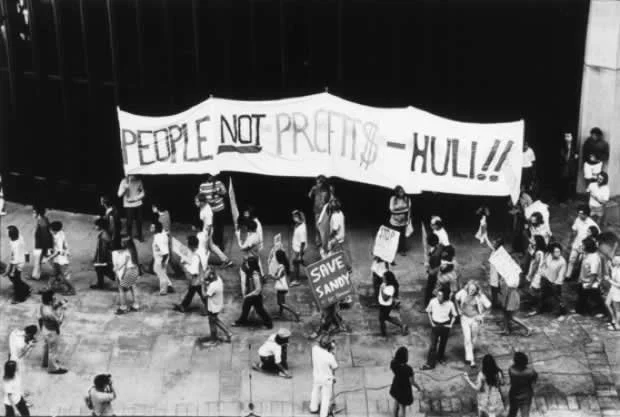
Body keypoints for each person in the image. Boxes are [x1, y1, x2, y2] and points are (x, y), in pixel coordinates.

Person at [455, 281, 491, 368]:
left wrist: (482, 316)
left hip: (475, 319)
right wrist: (458, 309)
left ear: (476, 290)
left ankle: (470, 351)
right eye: (470, 289)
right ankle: (471, 360)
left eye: (473, 290)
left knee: (473, 339)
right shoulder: (463, 292)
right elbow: (455, 298)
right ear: (468, 288)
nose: (471, 291)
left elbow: (489, 307)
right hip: (464, 318)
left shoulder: (480, 296)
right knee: (467, 338)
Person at [421, 286, 457, 370]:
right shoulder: (433, 301)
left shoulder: (450, 304)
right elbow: (428, 311)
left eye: (441, 296)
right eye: (438, 295)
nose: (439, 297)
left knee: (443, 343)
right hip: (435, 325)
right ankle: (430, 364)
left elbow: (455, 315)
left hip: (445, 325)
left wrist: (451, 324)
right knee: (433, 345)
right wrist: (431, 323)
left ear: (445, 297)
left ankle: (440, 358)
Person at [233, 257, 273, 329]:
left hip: (255, 296)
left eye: (248, 263)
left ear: (251, 265)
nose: (247, 265)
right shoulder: (253, 272)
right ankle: (242, 320)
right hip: (253, 295)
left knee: (260, 310)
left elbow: (258, 289)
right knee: (246, 307)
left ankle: (269, 324)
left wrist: (248, 295)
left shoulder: (255, 275)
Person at [499, 253, 532, 337]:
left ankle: (527, 328)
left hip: (511, 295)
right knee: (505, 313)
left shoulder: (515, 273)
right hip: (506, 294)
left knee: (511, 316)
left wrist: (504, 280)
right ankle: (506, 329)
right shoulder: (507, 271)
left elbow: (512, 284)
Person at [195, 194, 232, 267]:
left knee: (203, 247)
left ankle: (202, 263)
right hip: (205, 230)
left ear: (202, 202)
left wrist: (206, 236)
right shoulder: (203, 207)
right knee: (212, 247)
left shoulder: (207, 211)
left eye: (197, 201)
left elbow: (209, 225)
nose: (195, 203)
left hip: (207, 231)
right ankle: (226, 260)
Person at [174, 235, 208, 314]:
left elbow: (194, 272)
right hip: (201, 275)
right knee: (192, 291)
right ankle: (183, 305)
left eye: (187, 244)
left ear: (191, 246)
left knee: (199, 291)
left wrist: (184, 265)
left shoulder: (196, 256)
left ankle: (209, 309)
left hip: (197, 278)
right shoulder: (201, 250)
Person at [534, 242, 567, 318]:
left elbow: (561, 275)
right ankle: (540, 309)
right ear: (551, 252)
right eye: (556, 252)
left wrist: (556, 283)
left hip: (554, 282)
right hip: (545, 279)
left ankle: (560, 313)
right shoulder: (548, 256)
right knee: (542, 295)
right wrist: (541, 275)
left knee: (557, 298)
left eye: (559, 251)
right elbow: (543, 265)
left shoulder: (562, 262)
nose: (558, 253)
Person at [566, 206, 599, 280]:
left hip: (585, 247)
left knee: (582, 263)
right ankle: (568, 275)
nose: (579, 215)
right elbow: (574, 230)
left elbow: (597, 235)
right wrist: (571, 240)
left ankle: (580, 278)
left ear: (586, 214)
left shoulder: (592, 224)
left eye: (581, 214)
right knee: (571, 260)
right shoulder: (577, 219)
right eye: (579, 213)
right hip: (577, 244)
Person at [39, 290, 68, 374]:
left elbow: (52, 306)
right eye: (53, 298)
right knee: (53, 350)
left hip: (45, 328)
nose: (55, 298)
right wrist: (63, 310)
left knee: (46, 347)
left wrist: (60, 304)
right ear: (49, 300)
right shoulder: (49, 313)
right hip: (51, 332)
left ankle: (45, 362)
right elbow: (59, 321)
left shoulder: (43, 305)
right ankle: (53, 368)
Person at [266, 250, 300, 322]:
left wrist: (270, 276)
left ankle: (295, 313)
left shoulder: (281, 266)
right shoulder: (283, 265)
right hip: (282, 285)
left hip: (281, 286)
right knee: (281, 302)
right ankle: (280, 315)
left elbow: (277, 277)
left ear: (278, 258)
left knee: (281, 303)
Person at [309, 335, 338, 417]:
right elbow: (335, 367)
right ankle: (323, 414)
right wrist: (333, 351)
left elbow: (318, 346)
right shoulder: (330, 356)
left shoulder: (314, 349)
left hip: (316, 376)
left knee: (315, 391)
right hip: (326, 379)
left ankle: (313, 408)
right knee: (325, 397)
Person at [576, 237, 604, 316]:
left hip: (590, 282)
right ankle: (580, 310)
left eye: (583, 245)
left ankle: (597, 312)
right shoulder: (587, 254)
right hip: (584, 280)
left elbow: (594, 273)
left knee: (592, 297)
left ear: (588, 246)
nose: (582, 246)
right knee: (582, 296)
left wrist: (590, 284)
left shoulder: (594, 258)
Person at [389, 347, 422, 417]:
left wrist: (395, 359)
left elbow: (394, 362)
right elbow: (412, 382)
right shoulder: (409, 369)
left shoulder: (394, 364)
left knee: (396, 404)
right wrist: (418, 387)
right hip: (405, 389)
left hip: (396, 387)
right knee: (403, 408)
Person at [202, 268, 232, 344]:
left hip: (213, 306)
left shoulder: (213, 286)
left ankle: (216, 338)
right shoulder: (218, 279)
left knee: (213, 320)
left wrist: (202, 285)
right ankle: (216, 337)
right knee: (213, 320)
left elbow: (204, 295)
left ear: (211, 276)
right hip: (218, 303)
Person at [46, 221, 76, 296]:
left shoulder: (59, 237)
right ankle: (49, 288)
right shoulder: (60, 233)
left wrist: (49, 258)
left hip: (61, 261)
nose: (50, 231)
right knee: (53, 274)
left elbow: (58, 251)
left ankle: (72, 290)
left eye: (51, 230)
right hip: (58, 260)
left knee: (64, 277)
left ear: (54, 230)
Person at [112, 237, 140, 315]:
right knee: (133, 288)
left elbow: (119, 266)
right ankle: (136, 305)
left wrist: (119, 276)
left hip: (126, 272)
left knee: (121, 290)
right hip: (134, 270)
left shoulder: (120, 253)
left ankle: (123, 307)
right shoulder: (132, 251)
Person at [199, 174, 228, 248]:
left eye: (212, 176)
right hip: (209, 210)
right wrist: (206, 202)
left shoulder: (219, 183)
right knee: (210, 228)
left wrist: (218, 192)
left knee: (220, 227)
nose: (211, 177)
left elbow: (225, 194)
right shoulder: (202, 185)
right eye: (209, 176)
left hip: (219, 208)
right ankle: (210, 244)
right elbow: (200, 197)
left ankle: (220, 244)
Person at [4, 226, 31, 303]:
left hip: (18, 263)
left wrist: (11, 271)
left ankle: (20, 297)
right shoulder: (19, 237)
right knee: (16, 279)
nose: (6, 232)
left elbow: (14, 260)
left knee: (16, 280)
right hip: (22, 259)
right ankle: (26, 288)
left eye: (7, 231)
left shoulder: (16, 245)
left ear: (11, 234)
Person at [236, 217, 262, 296]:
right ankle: (250, 292)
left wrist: (238, 238)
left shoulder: (252, 239)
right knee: (251, 277)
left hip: (250, 261)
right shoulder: (256, 235)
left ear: (249, 228)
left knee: (245, 276)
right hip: (253, 259)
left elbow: (242, 248)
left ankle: (245, 294)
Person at [507, 352, 538, 417]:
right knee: (525, 414)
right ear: (525, 360)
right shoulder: (531, 371)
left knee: (512, 413)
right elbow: (534, 381)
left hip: (514, 394)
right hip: (526, 395)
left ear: (515, 360)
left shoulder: (511, 370)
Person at [379, 271, 408, 337]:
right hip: (386, 304)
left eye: (384, 278)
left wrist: (381, 289)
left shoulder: (390, 288)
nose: (382, 279)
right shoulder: (389, 284)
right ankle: (402, 325)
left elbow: (385, 298)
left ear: (388, 279)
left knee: (382, 318)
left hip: (386, 306)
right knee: (385, 317)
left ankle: (384, 333)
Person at [308, 175, 335, 247]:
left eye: (319, 183)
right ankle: (318, 241)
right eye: (316, 183)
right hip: (317, 210)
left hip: (325, 211)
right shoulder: (315, 188)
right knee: (317, 226)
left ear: (323, 183)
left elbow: (332, 199)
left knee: (324, 226)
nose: (317, 184)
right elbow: (310, 194)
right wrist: (311, 193)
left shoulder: (329, 189)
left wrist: (331, 198)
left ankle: (325, 241)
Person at [327, 198, 352, 272]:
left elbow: (335, 229)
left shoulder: (335, 216)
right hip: (341, 236)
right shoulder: (340, 213)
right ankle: (346, 267)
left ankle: (347, 268)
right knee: (338, 252)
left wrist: (330, 237)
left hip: (336, 237)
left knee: (334, 253)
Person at [117, 175, 145, 241]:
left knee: (139, 221)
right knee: (129, 221)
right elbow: (119, 195)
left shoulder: (139, 180)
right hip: (128, 205)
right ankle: (129, 236)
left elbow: (143, 193)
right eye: (132, 174)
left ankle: (140, 236)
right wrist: (124, 188)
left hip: (138, 203)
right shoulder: (124, 181)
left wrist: (135, 199)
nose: (134, 176)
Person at [525, 235, 547, 316]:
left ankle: (536, 308)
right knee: (535, 291)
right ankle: (536, 306)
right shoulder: (540, 251)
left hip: (537, 274)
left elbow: (535, 265)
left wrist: (530, 276)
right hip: (540, 273)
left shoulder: (538, 253)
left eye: (533, 240)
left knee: (533, 291)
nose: (531, 240)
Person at [91, 217, 115, 290]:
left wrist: (100, 260)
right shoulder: (105, 233)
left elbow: (103, 249)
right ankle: (100, 283)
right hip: (104, 256)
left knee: (100, 269)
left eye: (96, 225)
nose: (95, 227)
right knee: (100, 270)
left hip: (103, 257)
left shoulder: (104, 235)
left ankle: (101, 284)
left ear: (100, 226)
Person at [151, 221, 174, 296]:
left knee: (161, 273)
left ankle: (163, 291)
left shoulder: (158, 238)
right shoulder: (161, 234)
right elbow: (166, 231)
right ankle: (169, 285)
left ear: (156, 229)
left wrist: (163, 262)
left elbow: (165, 252)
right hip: (160, 257)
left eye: (152, 227)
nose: (150, 228)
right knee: (157, 270)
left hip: (161, 259)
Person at [31, 205, 53, 281]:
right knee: (40, 261)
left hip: (40, 246)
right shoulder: (43, 219)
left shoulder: (41, 221)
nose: (33, 214)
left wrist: (46, 249)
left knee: (37, 261)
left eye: (34, 212)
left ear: (38, 213)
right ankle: (36, 275)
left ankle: (36, 275)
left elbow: (45, 236)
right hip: (42, 245)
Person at [388, 186, 411, 255]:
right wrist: (403, 210)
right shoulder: (393, 198)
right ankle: (393, 249)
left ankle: (402, 250)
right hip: (394, 221)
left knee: (402, 236)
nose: (402, 193)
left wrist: (408, 219)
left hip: (403, 221)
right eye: (400, 191)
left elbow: (409, 209)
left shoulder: (406, 199)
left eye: (403, 191)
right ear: (397, 192)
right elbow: (392, 209)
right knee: (394, 235)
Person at [423, 233, 443, 308]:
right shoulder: (441, 246)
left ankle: (427, 305)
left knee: (429, 288)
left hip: (435, 274)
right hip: (440, 271)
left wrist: (427, 268)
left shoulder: (435, 256)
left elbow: (432, 271)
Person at [559, 132, 579, 202]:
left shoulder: (574, 146)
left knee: (569, 183)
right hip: (564, 167)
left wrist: (575, 156)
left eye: (569, 136)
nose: (568, 138)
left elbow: (576, 155)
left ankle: (568, 197)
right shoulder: (562, 145)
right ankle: (561, 199)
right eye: (566, 137)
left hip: (571, 167)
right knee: (562, 183)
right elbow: (562, 156)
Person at [290, 210, 307, 286]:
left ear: (299, 218)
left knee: (295, 263)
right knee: (302, 262)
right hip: (296, 248)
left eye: (295, 217)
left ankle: (296, 280)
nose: (294, 218)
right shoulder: (300, 224)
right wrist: (297, 212)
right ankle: (311, 271)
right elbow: (302, 216)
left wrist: (300, 255)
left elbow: (303, 243)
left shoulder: (301, 229)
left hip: (298, 250)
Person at [606, 256, 620, 331]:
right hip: (613, 290)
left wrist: (609, 280)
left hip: (618, 292)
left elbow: (619, 285)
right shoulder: (616, 268)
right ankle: (614, 319)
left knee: (617, 310)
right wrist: (610, 266)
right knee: (607, 303)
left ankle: (617, 325)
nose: (613, 260)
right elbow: (614, 272)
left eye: (615, 260)